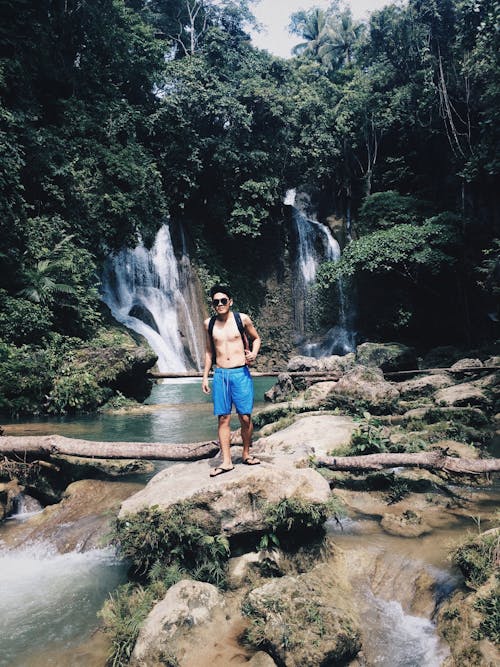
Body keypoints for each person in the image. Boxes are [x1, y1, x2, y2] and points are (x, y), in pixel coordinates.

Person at [202, 284, 261, 477]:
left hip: (240, 373)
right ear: (213, 304)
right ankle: (226, 461)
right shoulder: (208, 324)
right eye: (216, 302)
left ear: (230, 301)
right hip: (221, 375)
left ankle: (246, 454)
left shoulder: (241, 319)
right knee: (223, 418)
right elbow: (209, 352)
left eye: (223, 301)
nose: (220, 304)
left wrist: (253, 353)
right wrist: (204, 377)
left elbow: (256, 338)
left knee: (245, 417)